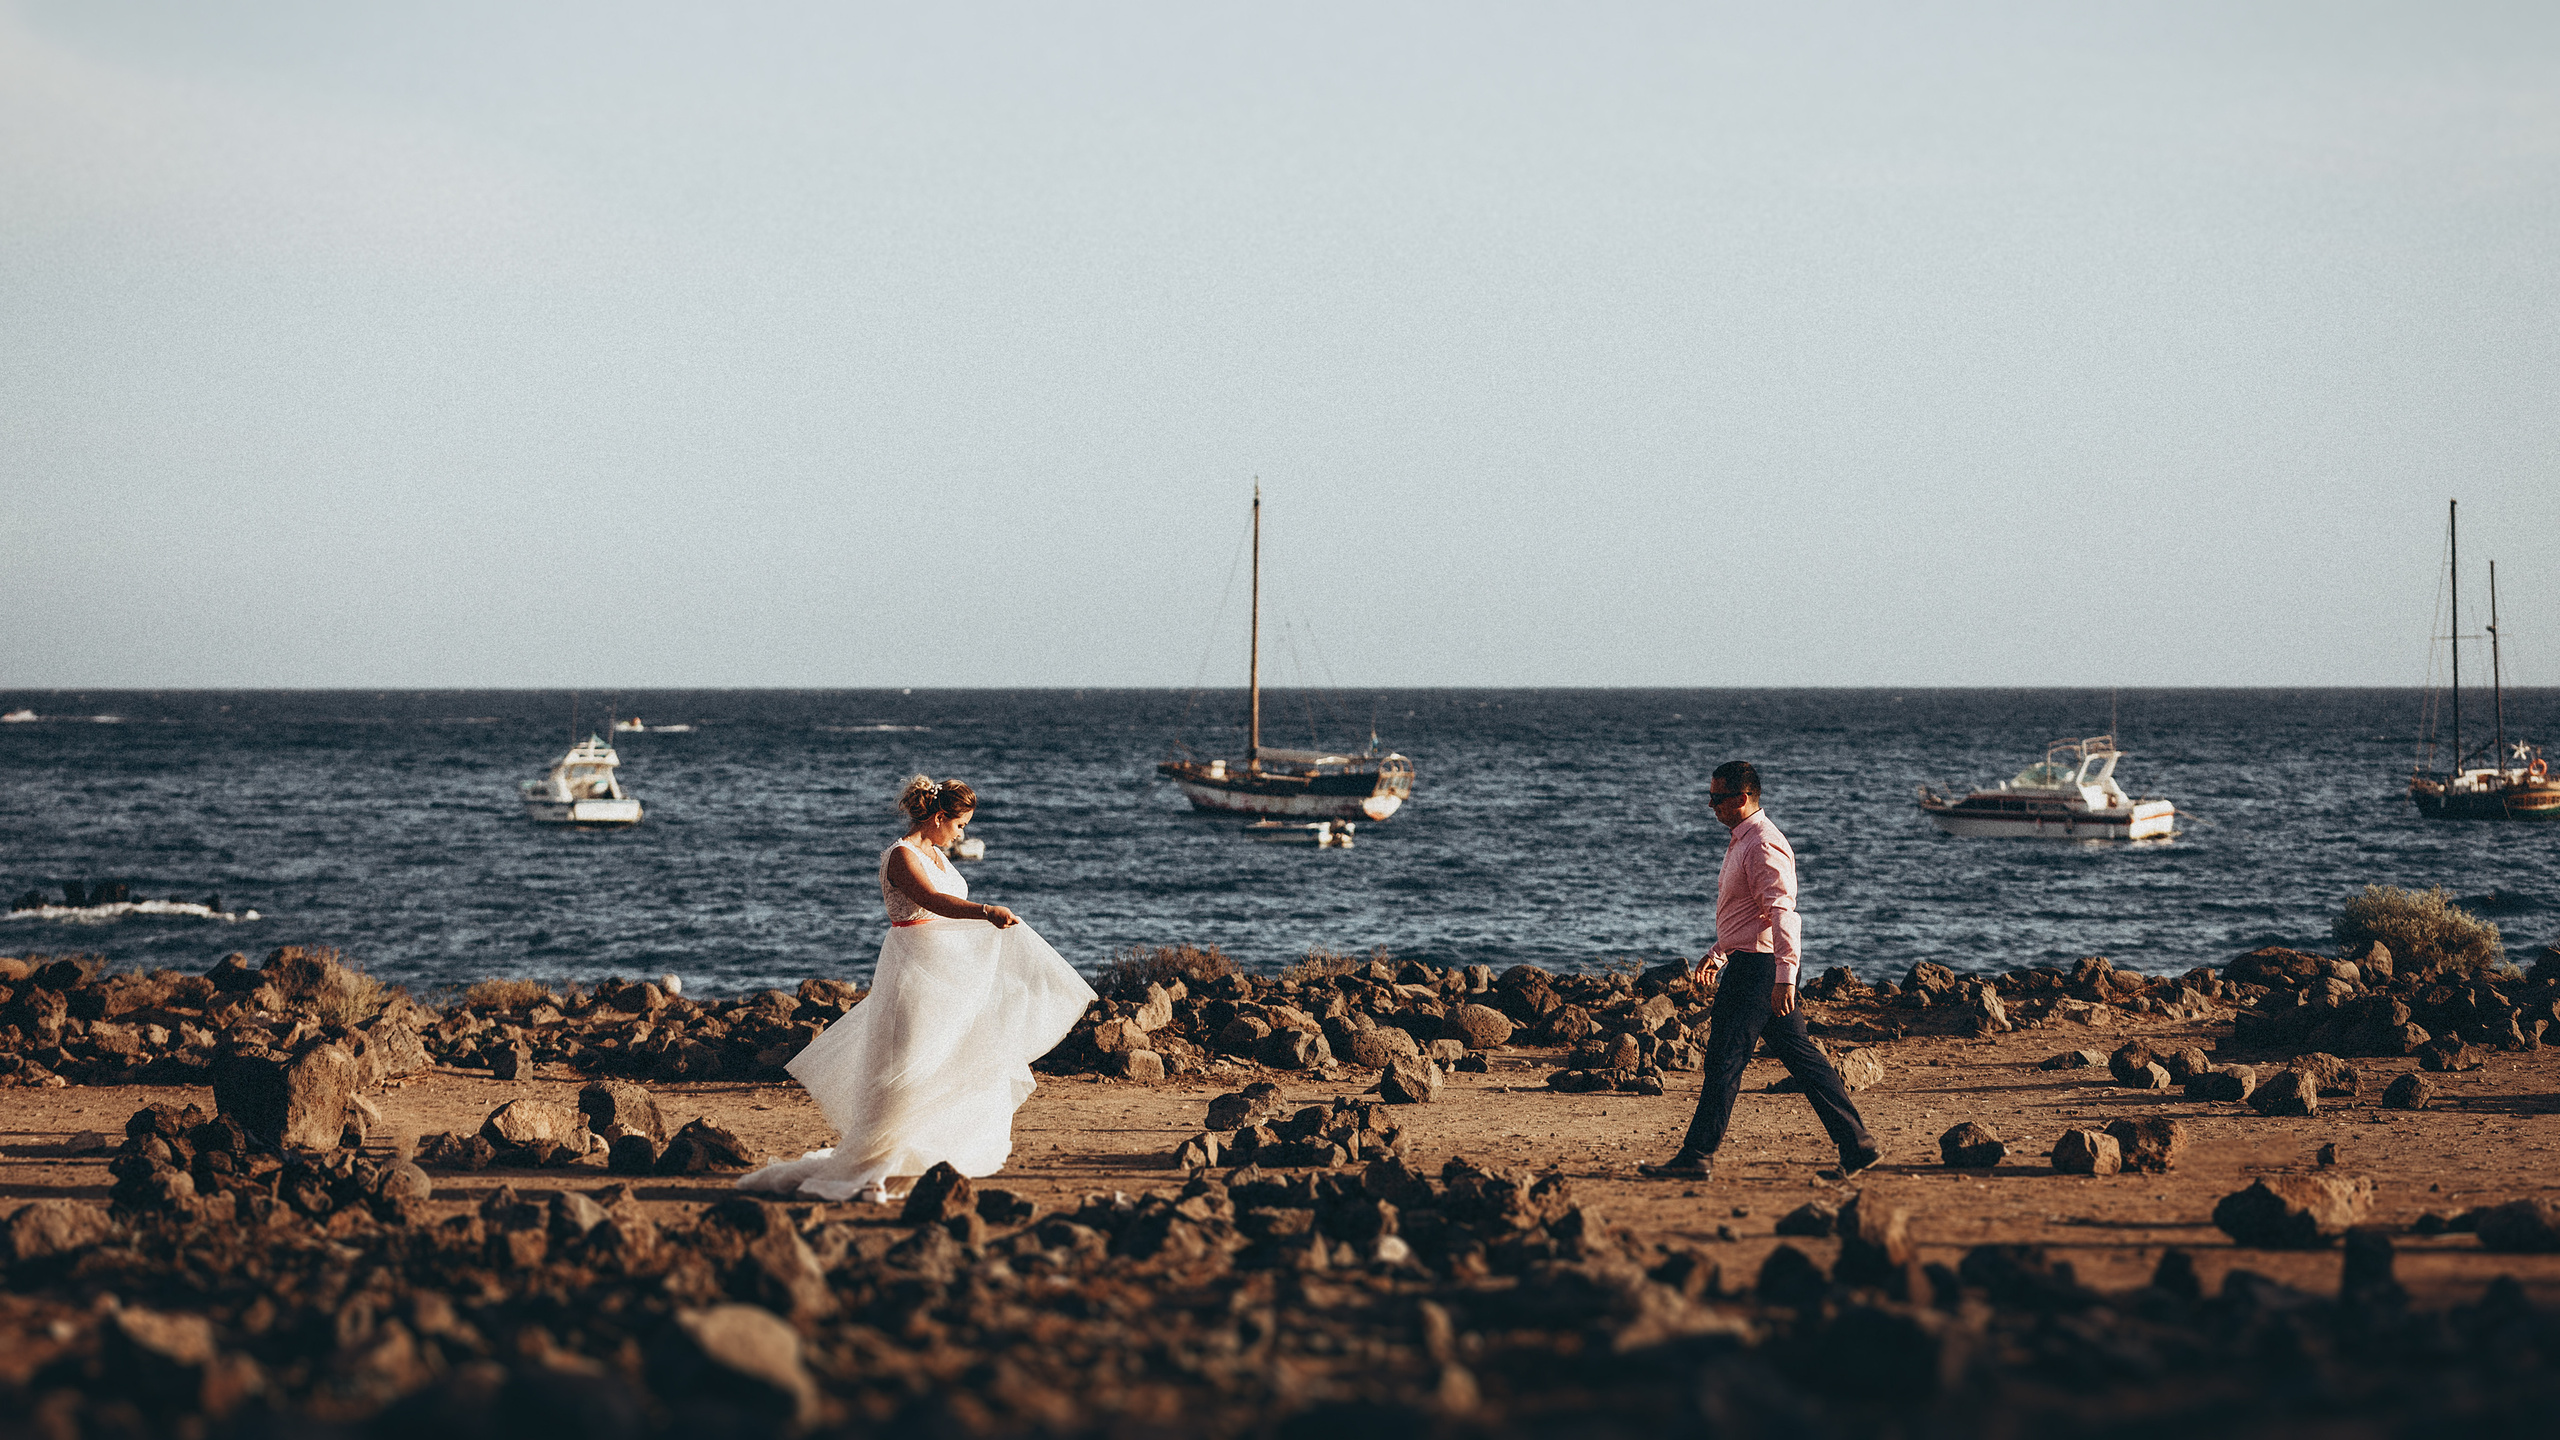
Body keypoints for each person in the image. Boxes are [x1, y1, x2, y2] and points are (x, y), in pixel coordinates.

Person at [737, 775, 1097, 1203]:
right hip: (912, 972)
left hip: (947, 977)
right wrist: (985, 911)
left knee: (940, 1068)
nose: (961, 834)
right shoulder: (901, 856)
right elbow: (933, 901)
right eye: (960, 825)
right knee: (902, 1068)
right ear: (939, 817)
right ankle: (870, 1172)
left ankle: (901, 1167)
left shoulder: (936, 855)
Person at [1639, 761, 1879, 1183]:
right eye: (1709, 796)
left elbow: (1784, 914)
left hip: (1759, 971)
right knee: (1801, 1058)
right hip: (1753, 963)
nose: (1710, 805)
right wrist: (1719, 952)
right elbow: (1752, 916)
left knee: (1724, 1060)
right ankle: (1857, 1145)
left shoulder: (1764, 844)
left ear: (1742, 798)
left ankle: (1697, 1155)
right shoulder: (1743, 840)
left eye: (1717, 798)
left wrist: (1785, 977)